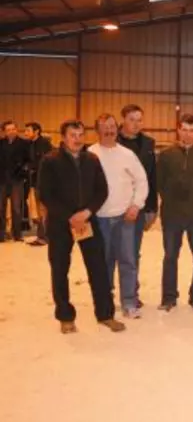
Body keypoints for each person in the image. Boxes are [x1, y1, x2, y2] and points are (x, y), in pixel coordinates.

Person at [37, 119, 125, 334]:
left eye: (80, 135)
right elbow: (45, 194)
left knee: (98, 268)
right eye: (72, 135)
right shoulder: (50, 161)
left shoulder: (92, 160)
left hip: (87, 222)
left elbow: (102, 191)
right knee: (60, 269)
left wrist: (86, 213)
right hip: (60, 224)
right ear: (63, 138)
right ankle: (66, 316)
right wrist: (69, 217)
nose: (77, 139)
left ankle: (105, 314)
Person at [88, 113, 149, 319]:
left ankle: (129, 302)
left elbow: (142, 181)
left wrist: (136, 205)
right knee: (103, 262)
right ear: (97, 130)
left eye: (113, 126)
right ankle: (106, 303)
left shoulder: (127, 154)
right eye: (104, 126)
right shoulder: (90, 154)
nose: (109, 130)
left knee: (128, 261)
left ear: (117, 128)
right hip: (99, 219)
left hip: (125, 218)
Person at [157, 113, 193, 313]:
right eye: (184, 130)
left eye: (192, 130)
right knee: (170, 255)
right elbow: (160, 183)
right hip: (172, 216)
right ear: (178, 130)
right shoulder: (165, 155)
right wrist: (172, 198)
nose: (188, 134)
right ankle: (169, 297)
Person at [117, 104, 158, 308]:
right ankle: (106, 291)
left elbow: (151, 176)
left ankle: (131, 292)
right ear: (123, 119)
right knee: (108, 253)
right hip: (112, 206)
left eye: (139, 119)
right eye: (132, 119)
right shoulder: (111, 141)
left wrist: (152, 207)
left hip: (138, 207)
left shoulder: (148, 143)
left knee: (132, 252)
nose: (136, 123)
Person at [24, 122, 53, 246]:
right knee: (40, 210)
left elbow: (45, 162)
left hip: (45, 182)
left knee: (44, 210)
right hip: (35, 181)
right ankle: (42, 236)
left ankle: (45, 237)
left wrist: (31, 167)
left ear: (36, 132)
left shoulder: (44, 144)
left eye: (28, 131)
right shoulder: (30, 144)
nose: (26, 133)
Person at [0, 121, 29, 242]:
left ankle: (17, 234)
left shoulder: (24, 143)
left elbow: (29, 160)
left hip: (16, 179)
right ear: (4, 132)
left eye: (13, 129)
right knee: (0, 207)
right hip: (1, 179)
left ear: (17, 130)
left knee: (16, 208)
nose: (11, 131)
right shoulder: (1, 143)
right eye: (8, 130)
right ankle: (1, 234)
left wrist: (23, 170)